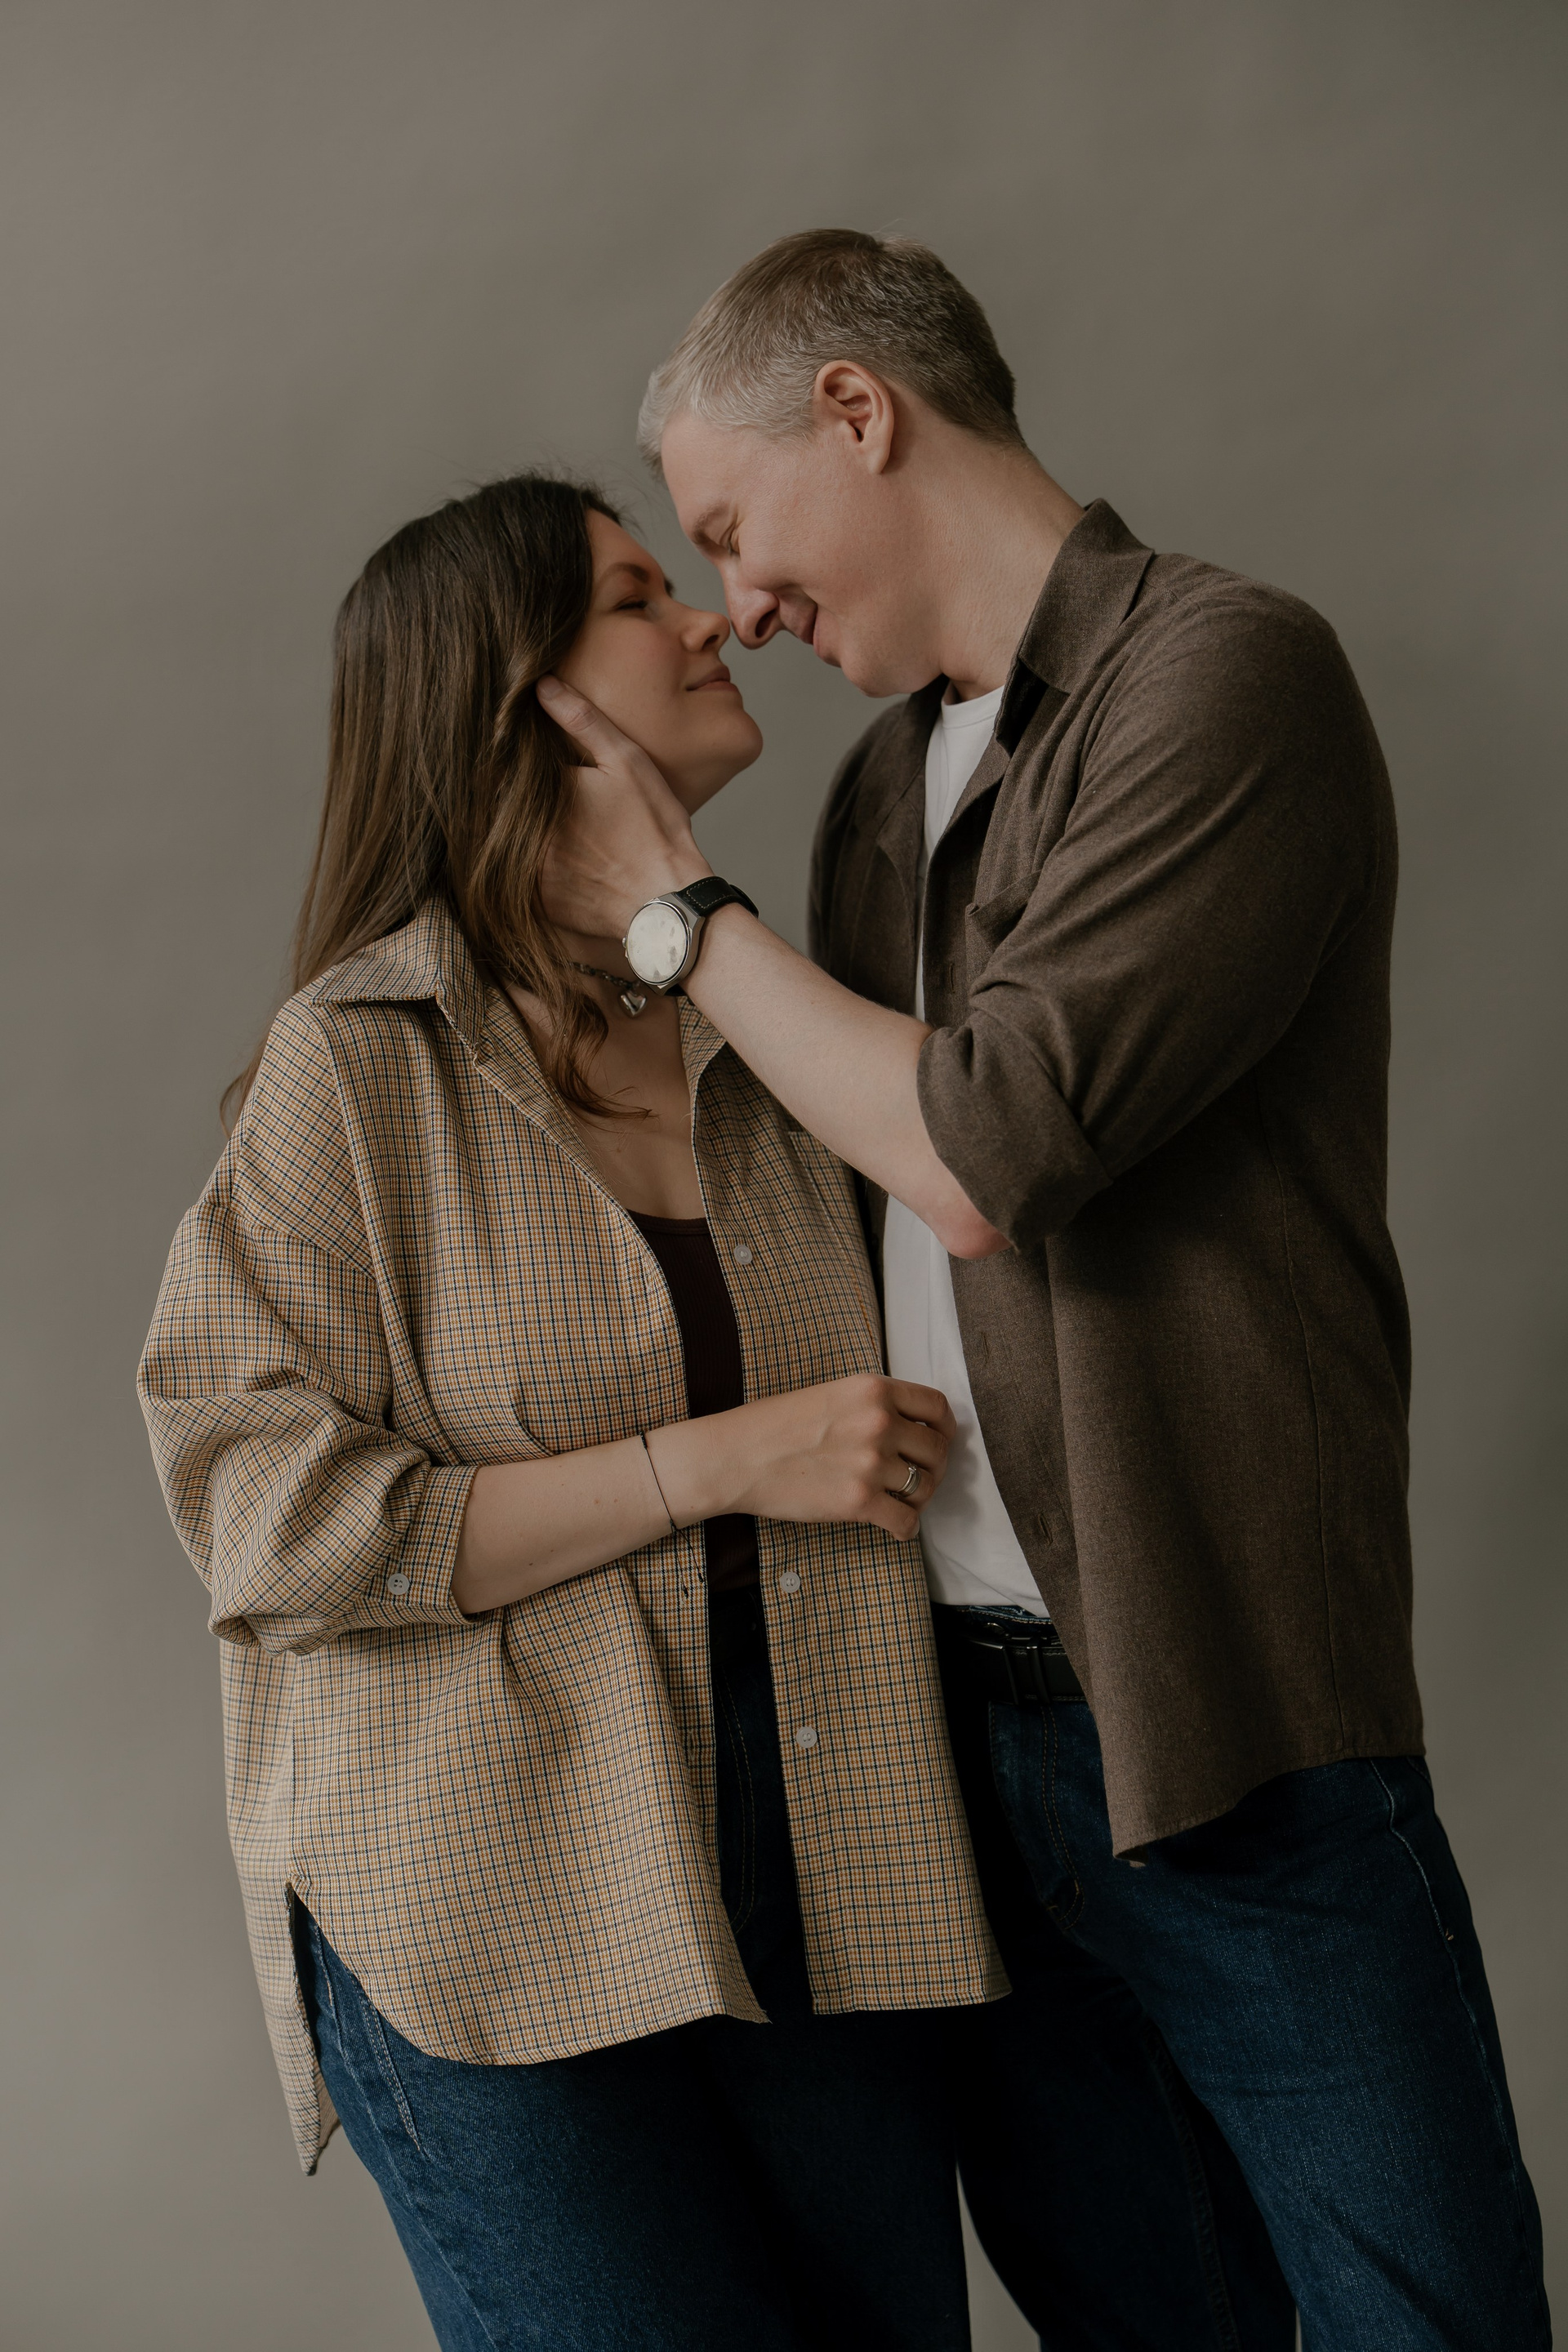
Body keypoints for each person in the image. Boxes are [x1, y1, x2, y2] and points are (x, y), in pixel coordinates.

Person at [535, 231, 1552, 2351]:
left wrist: (675, 912)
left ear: (856, 411)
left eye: (727, 529)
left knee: (1420, 2327)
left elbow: (992, 1145)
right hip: (949, 1748)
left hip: (1220, 1720)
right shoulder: (873, 794)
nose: (738, 605)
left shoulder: (1226, 675)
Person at [138, 472, 1009, 2352]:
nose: (710, 616)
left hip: (831, 1865)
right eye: (635, 595)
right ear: (517, 695)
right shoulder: (358, 1065)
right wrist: (722, 1463)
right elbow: (265, 1519)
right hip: (490, 1902)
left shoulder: (775, 1037)